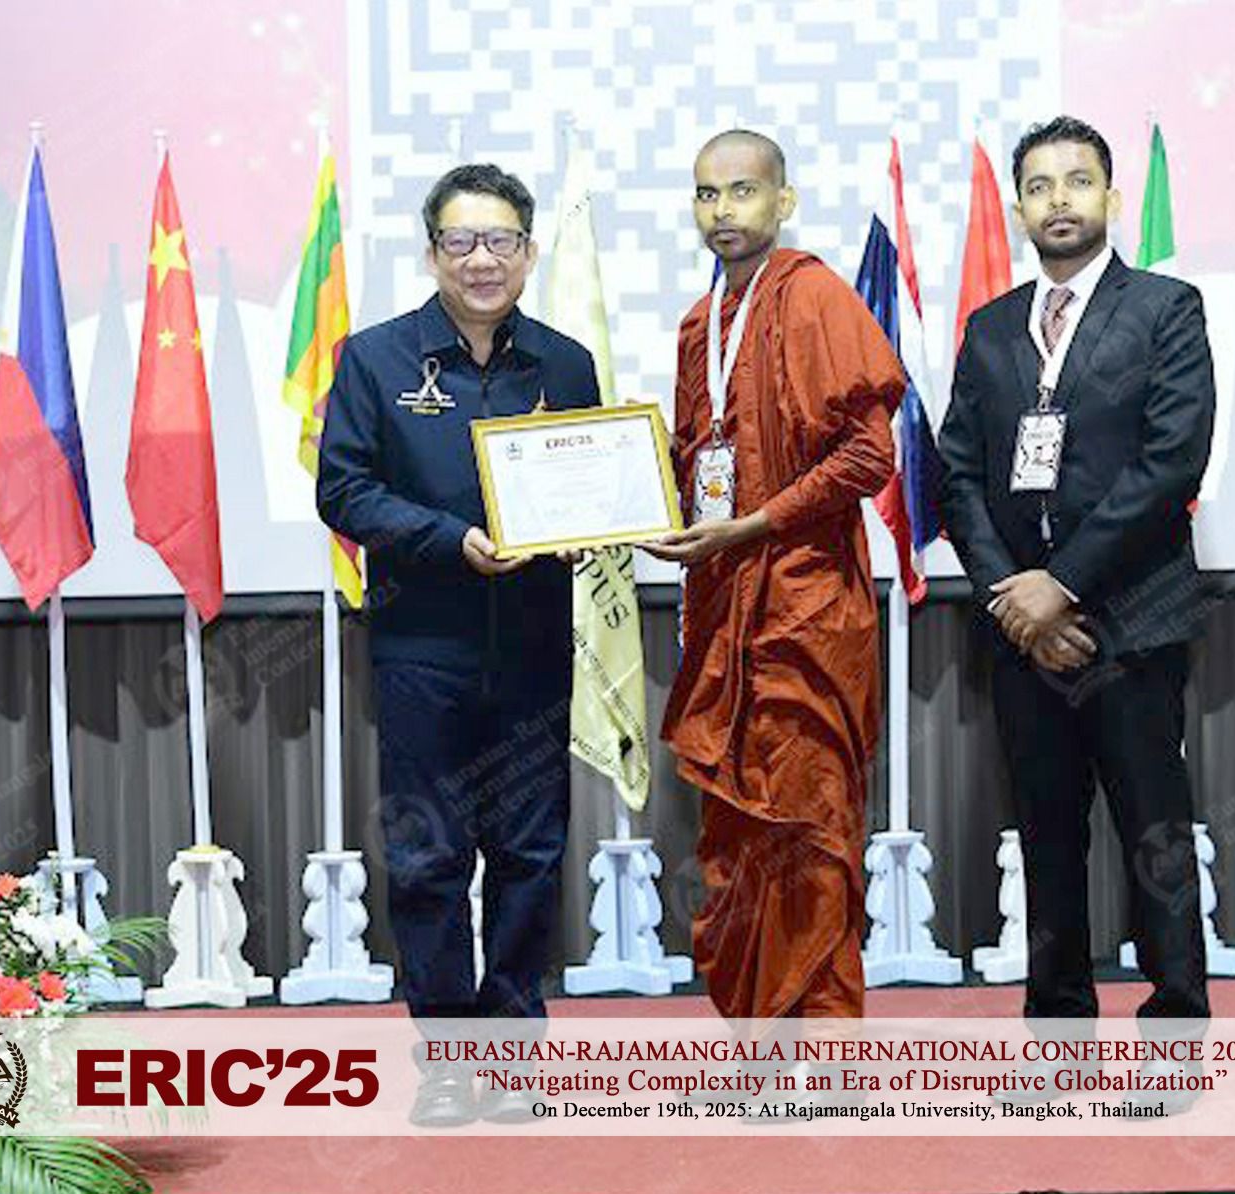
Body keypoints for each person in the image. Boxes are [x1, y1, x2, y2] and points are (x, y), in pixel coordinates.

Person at [317, 163, 599, 1125]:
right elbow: (344, 490)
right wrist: (451, 541)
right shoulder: (376, 359)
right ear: (433, 251)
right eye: (462, 241)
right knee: (430, 859)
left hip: (533, 650)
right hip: (422, 651)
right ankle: (447, 1060)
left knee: (530, 853)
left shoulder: (565, 365)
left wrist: (596, 521)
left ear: (529, 250)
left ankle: (513, 1061)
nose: (483, 260)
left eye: (501, 241)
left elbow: (589, 483)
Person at [935, 117, 1215, 1053]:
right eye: (1040, 186)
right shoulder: (989, 328)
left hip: (1132, 620)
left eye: (1078, 181)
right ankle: (1058, 1031)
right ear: (1020, 208)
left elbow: (1170, 464)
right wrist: (1016, 600)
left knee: (1155, 834)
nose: (1059, 199)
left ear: (1111, 198)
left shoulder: (1166, 309)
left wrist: (1061, 585)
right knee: (1047, 839)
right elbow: (958, 475)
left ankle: (1174, 1035)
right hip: (1022, 631)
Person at [648, 130, 904, 1023]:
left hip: (805, 609)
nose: (723, 210)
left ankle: (822, 1051)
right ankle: (758, 1042)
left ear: (782, 201)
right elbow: (698, 460)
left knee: (808, 828)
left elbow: (868, 455)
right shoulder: (700, 324)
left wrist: (754, 526)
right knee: (738, 841)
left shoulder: (817, 296)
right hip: (726, 613)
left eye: (743, 191)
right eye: (706, 194)